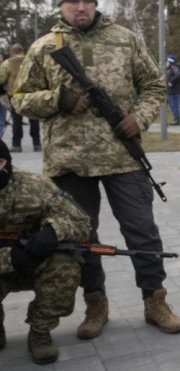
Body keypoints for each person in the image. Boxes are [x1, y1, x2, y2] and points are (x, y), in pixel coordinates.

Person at [10, 0, 180, 340]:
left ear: (95, 4)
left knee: (143, 231)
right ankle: (95, 303)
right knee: (81, 238)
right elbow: (19, 98)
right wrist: (58, 99)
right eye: (73, 1)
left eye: (87, 0)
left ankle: (155, 300)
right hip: (68, 162)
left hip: (122, 157)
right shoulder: (44, 47)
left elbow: (154, 85)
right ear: (60, 5)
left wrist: (139, 118)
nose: (81, 7)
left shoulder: (124, 39)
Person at [0, 139, 90, 364]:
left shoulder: (35, 185)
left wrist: (53, 231)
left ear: (6, 162)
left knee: (65, 264)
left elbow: (80, 221)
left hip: (36, 261)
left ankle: (40, 331)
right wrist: (10, 258)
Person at [0, 44, 41, 152]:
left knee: (16, 120)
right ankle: (37, 143)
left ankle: (16, 145)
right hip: (31, 94)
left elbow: (1, 78)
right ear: (23, 50)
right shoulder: (32, 61)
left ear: (12, 51)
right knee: (34, 119)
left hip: (15, 95)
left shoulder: (8, 63)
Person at [164, 54, 180, 126]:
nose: (166, 62)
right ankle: (174, 119)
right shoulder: (169, 69)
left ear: (170, 62)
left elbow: (178, 75)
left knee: (174, 105)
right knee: (172, 106)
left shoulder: (174, 68)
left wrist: (171, 81)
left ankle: (177, 120)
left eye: (167, 61)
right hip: (170, 91)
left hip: (174, 91)